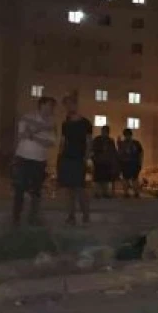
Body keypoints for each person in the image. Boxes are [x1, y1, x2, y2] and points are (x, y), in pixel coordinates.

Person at [13, 97, 58, 226]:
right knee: (20, 188)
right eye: (49, 106)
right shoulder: (28, 117)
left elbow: (50, 142)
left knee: (36, 190)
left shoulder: (51, 122)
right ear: (42, 106)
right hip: (23, 157)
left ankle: (33, 218)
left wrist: (33, 135)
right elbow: (22, 135)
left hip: (39, 160)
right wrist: (41, 130)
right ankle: (16, 218)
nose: (51, 109)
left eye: (52, 107)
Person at [57, 93, 92, 225]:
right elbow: (63, 141)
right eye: (66, 105)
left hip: (79, 159)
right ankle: (71, 216)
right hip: (67, 158)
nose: (68, 107)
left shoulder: (85, 123)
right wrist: (59, 157)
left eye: (70, 104)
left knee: (79, 188)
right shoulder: (65, 123)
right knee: (69, 189)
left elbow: (89, 142)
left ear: (76, 105)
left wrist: (86, 158)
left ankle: (85, 215)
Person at [91, 125, 118, 198]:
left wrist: (113, 162)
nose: (105, 133)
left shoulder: (110, 141)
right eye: (104, 131)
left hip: (107, 162)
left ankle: (105, 193)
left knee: (106, 179)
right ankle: (97, 193)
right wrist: (94, 159)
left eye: (106, 132)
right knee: (97, 179)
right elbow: (93, 150)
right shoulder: (97, 139)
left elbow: (113, 152)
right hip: (98, 162)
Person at [118, 128, 143, 198]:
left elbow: (140, 153)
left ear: (131, 135)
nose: (127, 136)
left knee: (134, 178)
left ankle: (136, 193)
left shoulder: (136, 143)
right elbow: (119, 154)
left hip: (134, 163)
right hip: (125, 163)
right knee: (126, 178)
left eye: (128, 135)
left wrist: (140, 163)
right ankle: (126, 193)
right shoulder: (122, 143)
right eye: (126, 135)